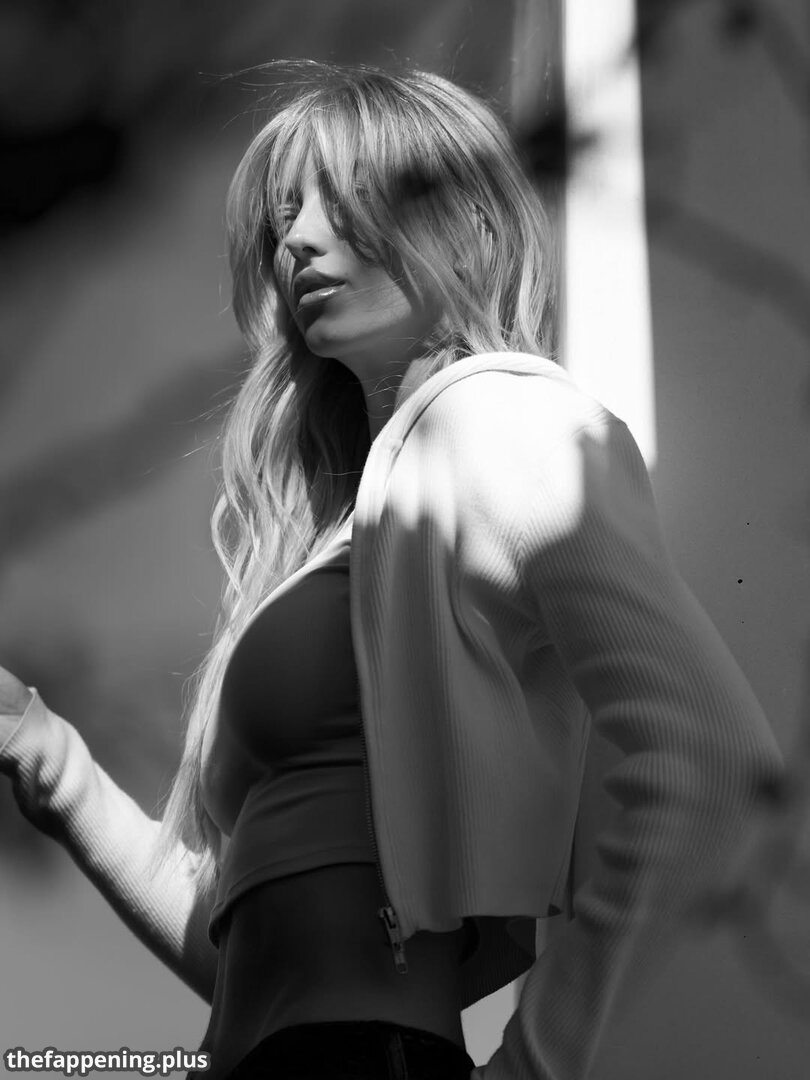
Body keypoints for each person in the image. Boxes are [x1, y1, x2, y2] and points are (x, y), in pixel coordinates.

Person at [0, 61, 782, 1080]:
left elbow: (706, 760)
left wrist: (535, 1065)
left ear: (468, 226)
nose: (296, 239)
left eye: (343, 196)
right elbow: (247, 965)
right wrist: (51, 762)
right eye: (284, 214)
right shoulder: (336, 535)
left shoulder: (497, 420)